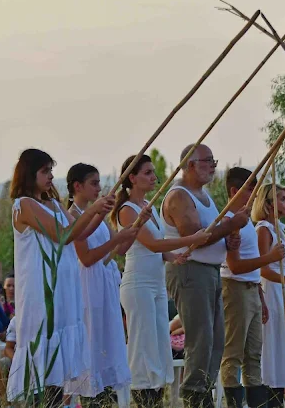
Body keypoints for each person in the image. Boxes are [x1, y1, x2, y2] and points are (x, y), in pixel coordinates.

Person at [8, 148, 114, 406]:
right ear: (29, 173)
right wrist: (93, 210)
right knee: (42, 358)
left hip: (62, 288)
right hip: (40, 289)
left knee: (57, 367)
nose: (51, 177)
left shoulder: (53, 203)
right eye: (45, 171)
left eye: (51, 171)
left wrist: (100, 211)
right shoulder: (24, 206)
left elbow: (79, 233)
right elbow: (61, 234)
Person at [112, 154, 210, 407]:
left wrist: (174, 256)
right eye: (147, 173)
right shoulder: (127, 211)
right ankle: (143, 397)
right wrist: (191, 239)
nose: (154, 177)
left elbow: (158, 249)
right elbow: (152, 244)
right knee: (143, 345)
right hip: (138, 285)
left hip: (155, 284)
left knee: (158, 345)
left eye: (154, 172)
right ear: (131, 178)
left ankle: (155, 397)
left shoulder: (151, 207)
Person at [161, 144, 248, 407]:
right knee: (201, 338)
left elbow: (213, 234)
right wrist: (230, 225)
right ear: (189, 165)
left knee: (216, 339)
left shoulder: (204, 195)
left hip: (209, 272)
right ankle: (195, 394)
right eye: (207, 161)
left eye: (213, 160)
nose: (213, 165)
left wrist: (228, 241)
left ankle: (204, 389)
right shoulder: (179, 196)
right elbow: (193, 234)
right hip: (190, 271)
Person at [67, 163, 144, 406]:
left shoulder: (98, 217)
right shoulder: (73, 217)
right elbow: (87, 258)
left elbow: (119, 249)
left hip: (105, 284)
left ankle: (107, 395)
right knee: (92, 341)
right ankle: (90, 397)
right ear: (77, 186)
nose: (99, 188)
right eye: (94, 183)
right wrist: (117, 239)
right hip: (87, 287)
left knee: (108, 341)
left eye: (99, 183)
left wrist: (136, 227)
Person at [220, 167, 285, 408]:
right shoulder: (229, 221)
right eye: (251, 187)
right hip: (234, 289)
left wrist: (260, 295)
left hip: (251, 289)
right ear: (235, 191)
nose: (255, 192)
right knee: (234, 353)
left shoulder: (245, 220)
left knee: (253, 354)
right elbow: (235, 265)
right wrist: (269, 258)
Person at [252, 182, 285, 407]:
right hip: (272, 290)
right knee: (272, 343)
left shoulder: (278, 229)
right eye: (282, 199)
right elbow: (262, 268)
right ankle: (269, 395)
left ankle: (279, 395)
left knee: (283, 343)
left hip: (283, 290)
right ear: (268, 204)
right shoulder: (263, 229)